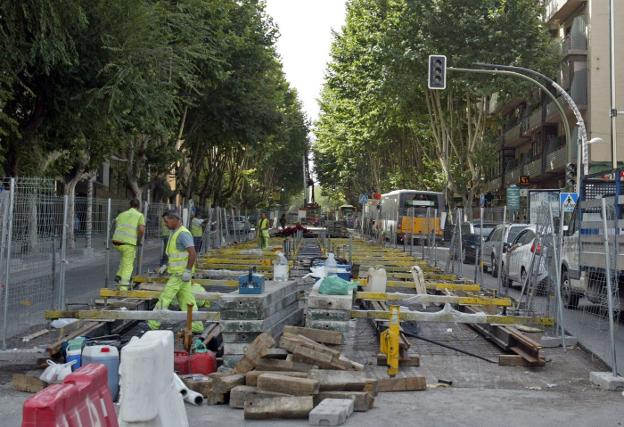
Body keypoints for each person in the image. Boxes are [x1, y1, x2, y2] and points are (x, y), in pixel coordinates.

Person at [148, 210, 203, 333]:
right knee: (187, 300)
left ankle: (152, 323)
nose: (165, 224)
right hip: (180, 274)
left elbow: (192, 253)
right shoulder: (176, 233)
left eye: (166, 221)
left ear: (175, 219)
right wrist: (166, 266)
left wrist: (188, 271)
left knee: (165, 297)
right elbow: (177, 255)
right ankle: (196, 325)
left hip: (180, 274)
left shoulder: (183, 234)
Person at [112, 199, 145, 291]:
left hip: (116, 241)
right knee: (128, 264)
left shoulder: (121, 214)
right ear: (138, 206)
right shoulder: (139, 215)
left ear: (129, 205)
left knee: (124, 258)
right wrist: (138, 240)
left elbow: (117, 224)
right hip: (128, 243)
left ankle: (119, 275)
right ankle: (123, 287)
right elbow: (141, 230)